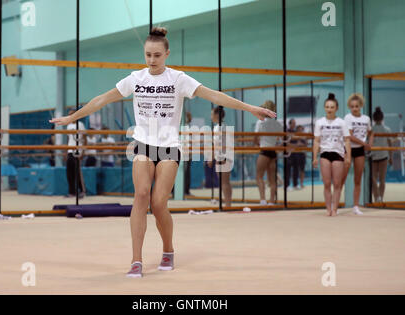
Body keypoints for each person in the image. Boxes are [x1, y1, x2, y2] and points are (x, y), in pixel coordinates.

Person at [50, 27, 276, 278]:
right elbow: (102, 99)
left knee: (158, 203)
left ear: (167, 54)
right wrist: (73, 116)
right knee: (141, 195)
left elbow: (214, 95)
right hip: (143, 144)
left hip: (169, 147)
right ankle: (136, 260)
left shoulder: (179, 79)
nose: (152, 60)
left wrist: (249, 108)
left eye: (157, 55)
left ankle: (168, 249)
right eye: (147, 55)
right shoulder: (136, 79)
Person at [313, 93, 351, 216]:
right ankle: (328, 208)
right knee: (327, 183)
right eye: (327, 107)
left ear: (336, 108)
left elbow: (346, 140)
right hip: (325, 153)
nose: (329, 109)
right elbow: (317, 140)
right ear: (324, 108)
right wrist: (314, 157)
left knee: (337, 183)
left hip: (338, 153)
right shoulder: (319, 122)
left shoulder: (341, 122)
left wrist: (348, 156)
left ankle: (335, 208)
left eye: (332, 107)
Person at [342, 93, 374, 215]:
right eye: (352, 106)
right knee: (342, 178)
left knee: (358, 179)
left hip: (360, 150)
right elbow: (349, 135)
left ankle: (355, 206)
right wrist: (363, 143)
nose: (354, 108)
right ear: (349, 107)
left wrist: (369, 143)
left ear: (361, 106)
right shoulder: (348, 117)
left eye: (356, 106)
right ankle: (335, 202)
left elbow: (371, 132)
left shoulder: (366, 119)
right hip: (349, 148)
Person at [254, 100, 283, 206]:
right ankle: (271, 201)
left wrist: (257, 144)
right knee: (272, 179)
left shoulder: (260, 122)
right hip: (273, 151)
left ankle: (262, 200)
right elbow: (281, 139)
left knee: (259, 176)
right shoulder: (277, 123)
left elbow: (256, 138)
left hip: (264, 150)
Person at [207, 107, 232, 207]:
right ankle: (228, 204)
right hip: (225, 156)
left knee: (224, 182)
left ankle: (227, 205)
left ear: (217, 115)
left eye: (212, 114)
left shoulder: (220, 127)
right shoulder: (221, 126)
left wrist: (211, 158)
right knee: (225, 182)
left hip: (222, 157)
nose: (211, 116)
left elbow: (217, 145)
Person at [371, 107, 394, 203]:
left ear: (374, 119)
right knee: (382, 179)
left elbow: (369, 143)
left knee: (373, 179)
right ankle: (380, 197)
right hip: (383, 156)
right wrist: (391, 157)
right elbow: (390, 144)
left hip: (374, 156)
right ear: (382, 118)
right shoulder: (387, 129)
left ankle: (376, 197)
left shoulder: (371, 130)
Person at [65, 109, 86, 198]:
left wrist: (83, 151)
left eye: (71, 114)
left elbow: (85, 138)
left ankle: (82, 191)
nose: (70, 116)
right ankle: (71, 192)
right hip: (70, 151)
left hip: (78, 151)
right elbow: (68, 139)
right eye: (69, 114)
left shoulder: (80, 125)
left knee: (77, 172)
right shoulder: (68, 126)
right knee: (69, 173)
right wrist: (66, 151)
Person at [285, 118, 301, 191]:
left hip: (296, 153)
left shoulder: (295, 132)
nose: (294, 125)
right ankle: (287, 185)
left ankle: (295, 184)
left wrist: (294, 145)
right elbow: (286, 143)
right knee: (288, 169)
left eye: (295, 123)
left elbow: (298, 142)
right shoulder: (286, 132)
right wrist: (293, 145)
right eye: (293, 123)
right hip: (288, 153)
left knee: (296, 169)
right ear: (290, 124)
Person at [295, 125, 307, 189]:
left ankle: (301, 183)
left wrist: (301, 144)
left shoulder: (304, 136)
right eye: (299, 129)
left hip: (302, 154)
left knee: (302, 170)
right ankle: (296, 184)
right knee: (296, 170)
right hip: (296, 154)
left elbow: (305, 144)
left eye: (301, 129)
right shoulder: (295, 136)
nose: (301, 130)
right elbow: (296, 144)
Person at [184, 112, 192, 195]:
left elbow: (189, 141)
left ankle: (186, 190)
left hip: (187, 153)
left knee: (187, 172)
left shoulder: (187, 127)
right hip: (183, 152)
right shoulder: (183, 127)